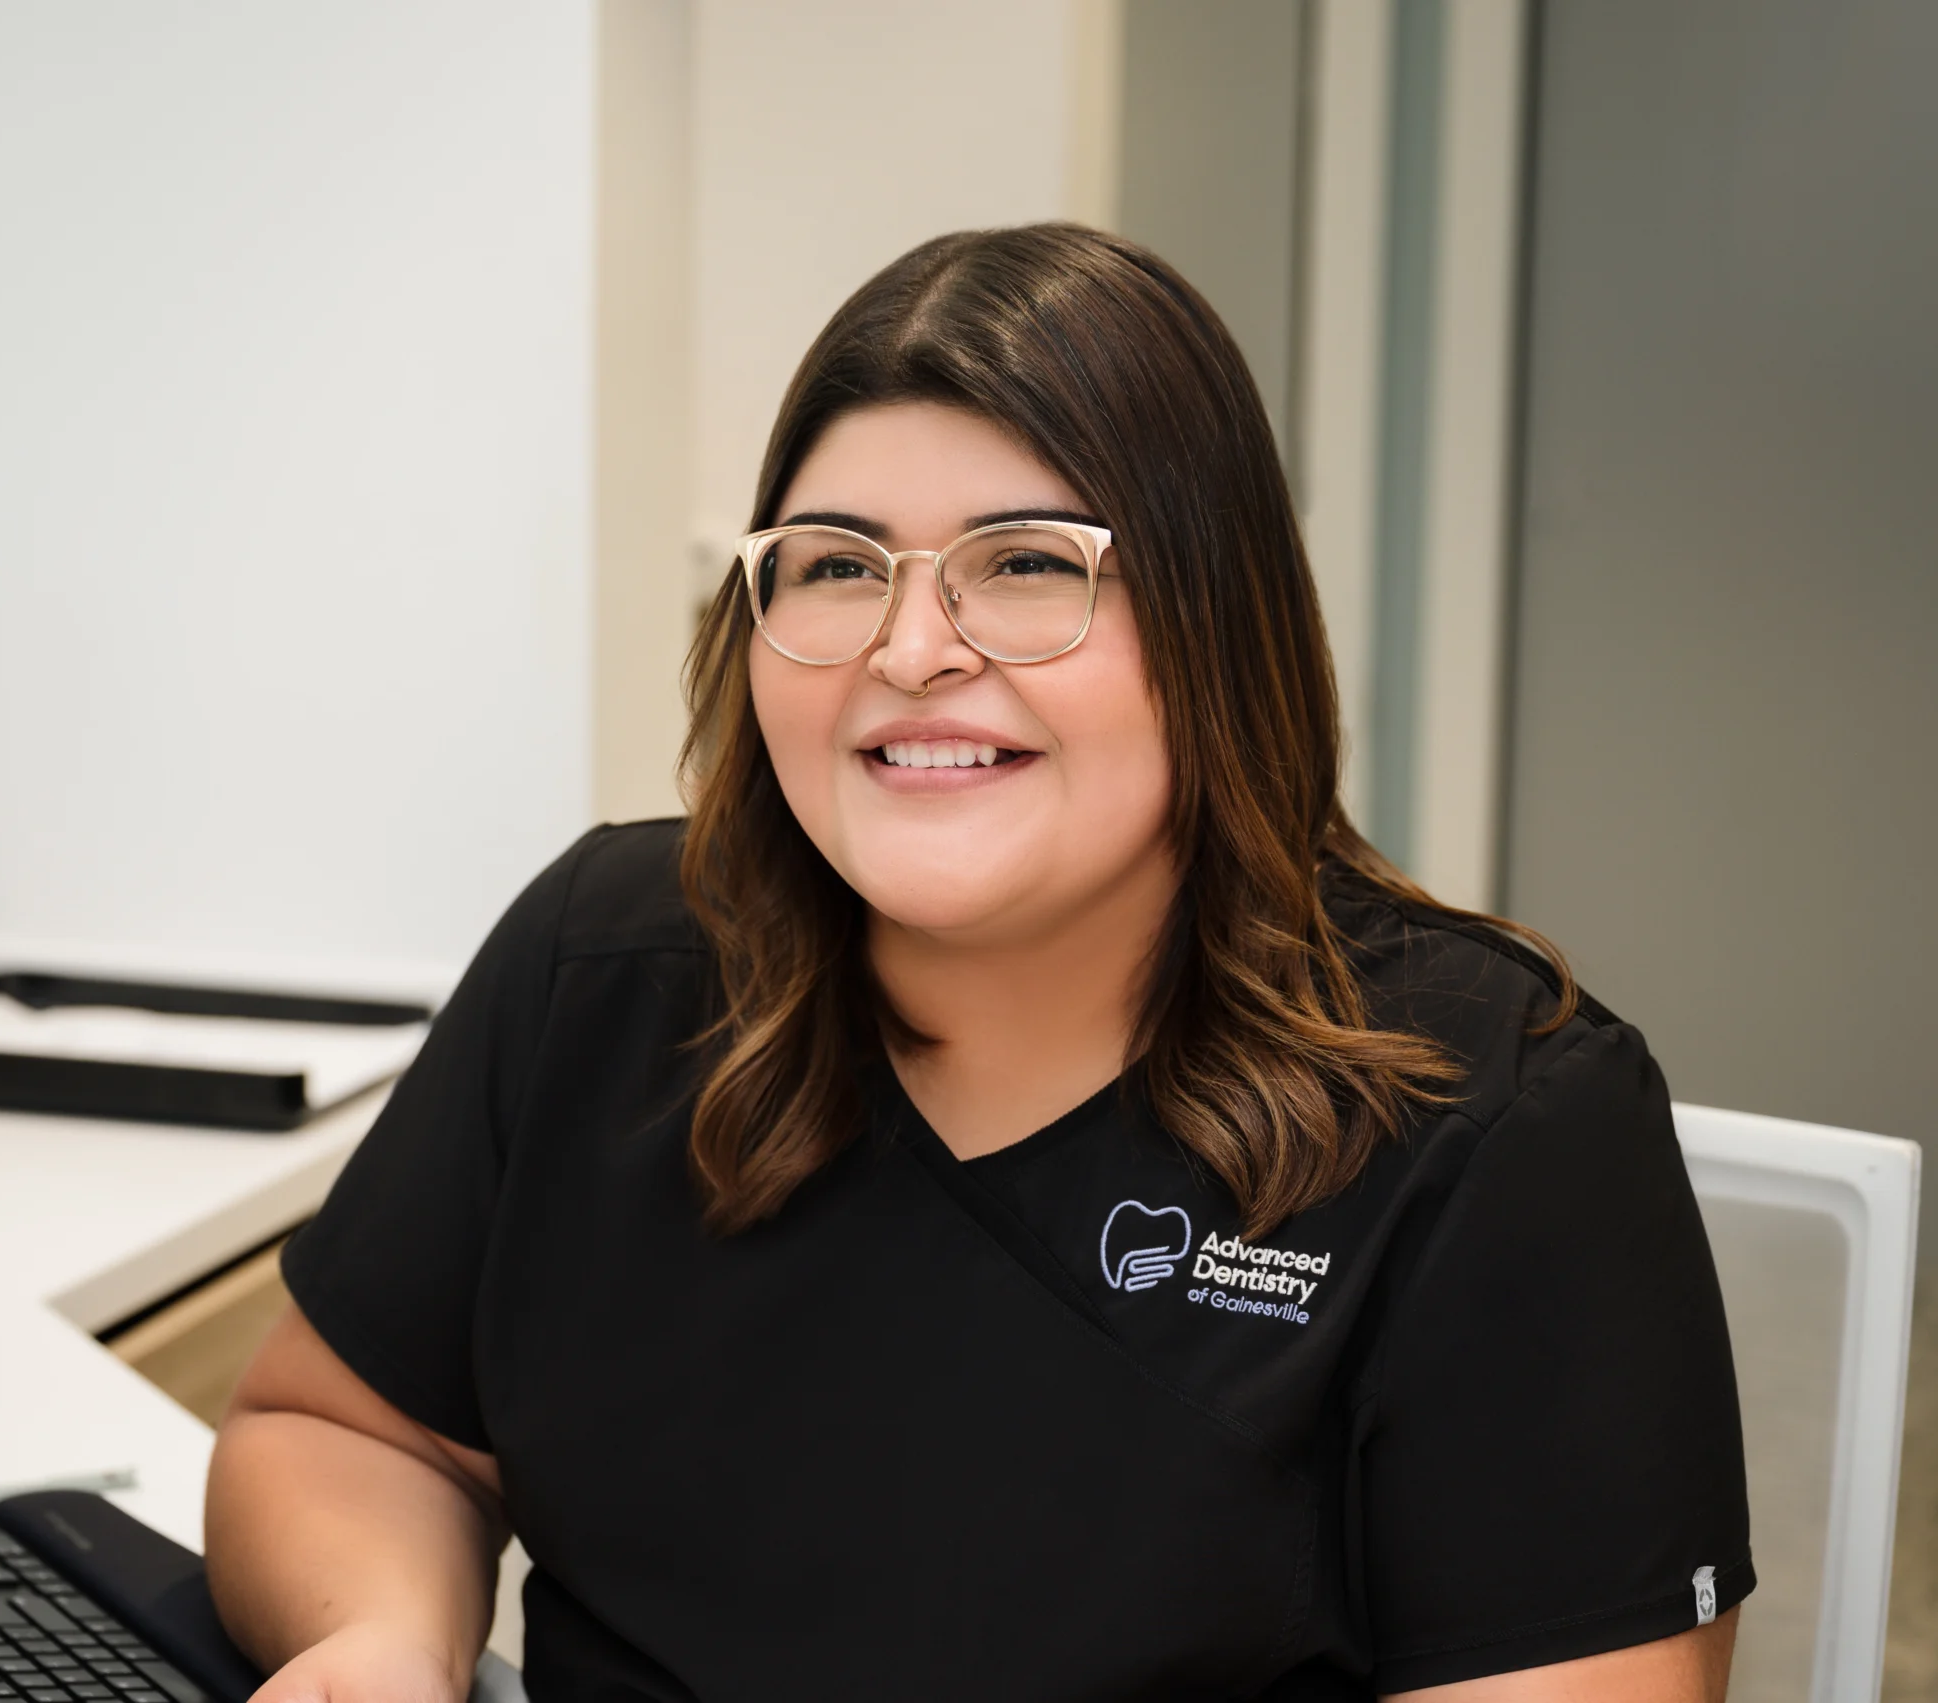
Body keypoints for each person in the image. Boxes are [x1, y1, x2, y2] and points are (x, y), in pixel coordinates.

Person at [203, 224, 1752, 1703]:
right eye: (836, 564)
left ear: (1221, 626)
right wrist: (386, 1635)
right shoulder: (613, 962)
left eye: (1025, 563)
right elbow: (341, 1429)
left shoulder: (1502, 1127)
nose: (913, 646)